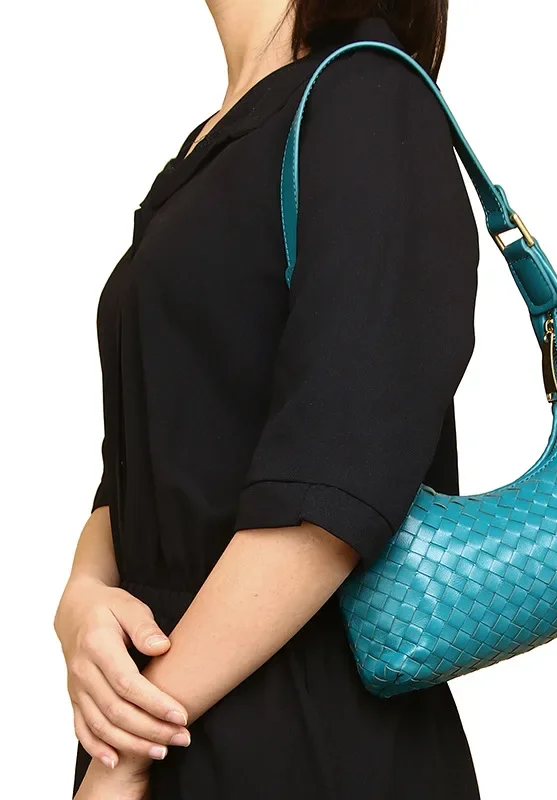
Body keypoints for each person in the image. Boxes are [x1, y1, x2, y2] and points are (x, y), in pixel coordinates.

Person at [54, 1, 481, 797]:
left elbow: (336, 490)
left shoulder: (367, 97)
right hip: (171, 713)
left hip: (299, 736)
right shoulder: (215, 141)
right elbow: (143, 468)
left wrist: (129, 751)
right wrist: (81, 599)